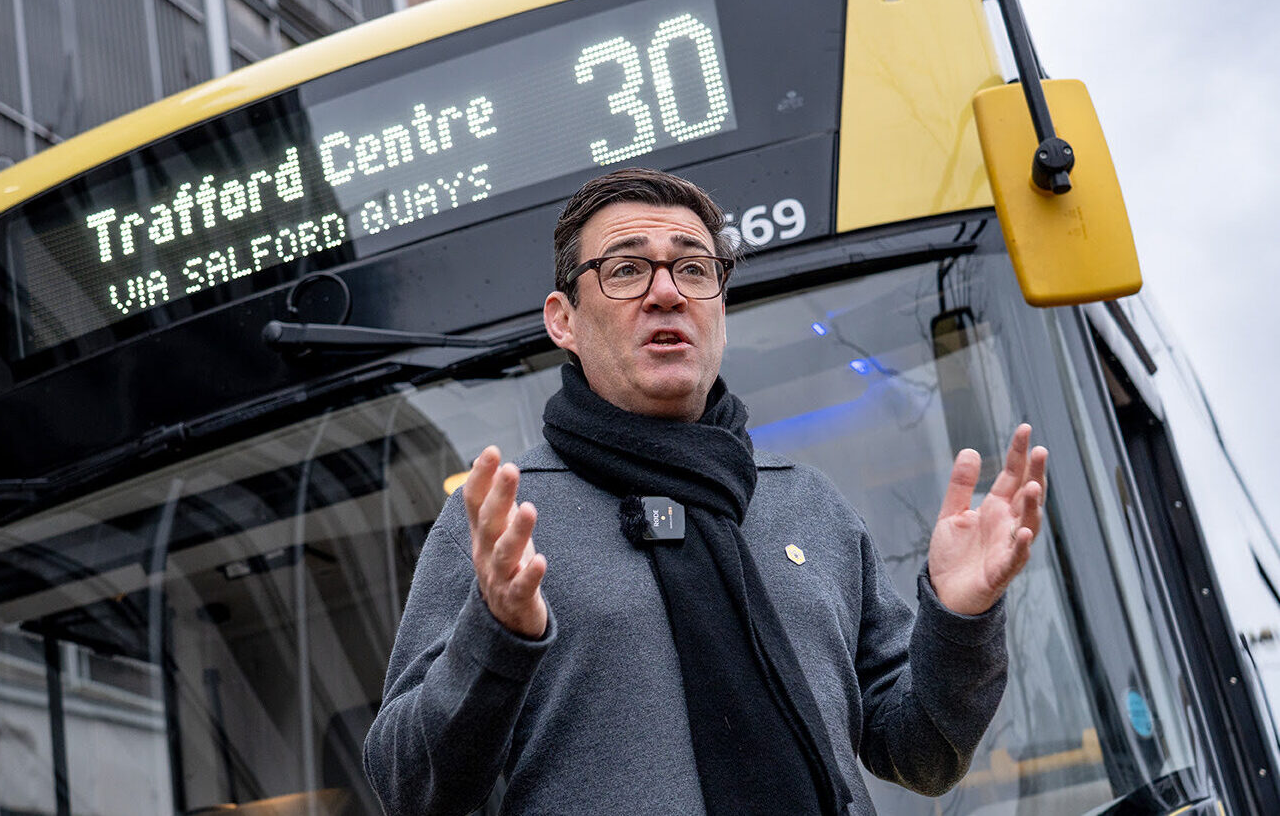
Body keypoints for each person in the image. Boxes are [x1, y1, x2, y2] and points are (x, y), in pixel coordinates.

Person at [362, 168, 1047, 815]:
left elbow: (922, 754)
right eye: (626, 269)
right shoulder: (505, 522)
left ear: (720, 306)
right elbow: (410, 789)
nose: (667, 293)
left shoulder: (809, 506)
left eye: (694, 268)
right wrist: (497, 637)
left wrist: (960, 619)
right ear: (563, 320)